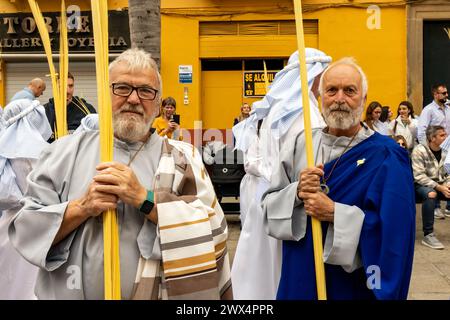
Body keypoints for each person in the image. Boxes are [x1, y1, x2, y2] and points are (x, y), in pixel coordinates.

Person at [9, 48, 232, 300]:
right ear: (105, 95)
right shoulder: (62, 153)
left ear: (158, 104)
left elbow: (215, 231)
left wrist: (145, 199)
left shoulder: (184, 158)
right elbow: (26, 230)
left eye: (146, 91)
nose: (134, 99)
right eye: (122, 87)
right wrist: (82, 207)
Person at [262, 57, 415, 300]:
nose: (340, 99)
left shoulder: (387, 155)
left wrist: (335, 213)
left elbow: (395, 232)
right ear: (321, 97)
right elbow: (267, 209)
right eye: (331, 90)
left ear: (363, 99)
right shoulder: (301, 143)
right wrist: (297, 192)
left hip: (352, 282)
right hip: (301, 270)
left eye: (349, 91)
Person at [231, 48, 331, 300]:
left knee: (257, 258)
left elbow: (252, 156)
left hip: (260, 193)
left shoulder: (273, 107)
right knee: (278, 262)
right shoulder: (307, 113)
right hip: (285, 197)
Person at [0, 99, 52, 299]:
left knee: (9, 277)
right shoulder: (37, 152)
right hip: (36, 224)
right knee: (30, 281)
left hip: (7, 223)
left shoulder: (6, 149)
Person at [412, 125, 450, 249]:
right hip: (421, 185)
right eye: (442, 135)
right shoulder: (419, 150)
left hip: (442, 184)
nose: (446, 137)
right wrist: (439, 187)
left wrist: (447, 184)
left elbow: (448, 172)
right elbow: (419, 176)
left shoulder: (446, 150)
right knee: (431, 194)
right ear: (432, 138)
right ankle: (428, 235)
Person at [45, 72, 97, 142]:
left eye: (70, 86)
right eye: (62, 87)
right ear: (54, 88)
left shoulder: (87, 109)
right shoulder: (45, 112)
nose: (68, 91)